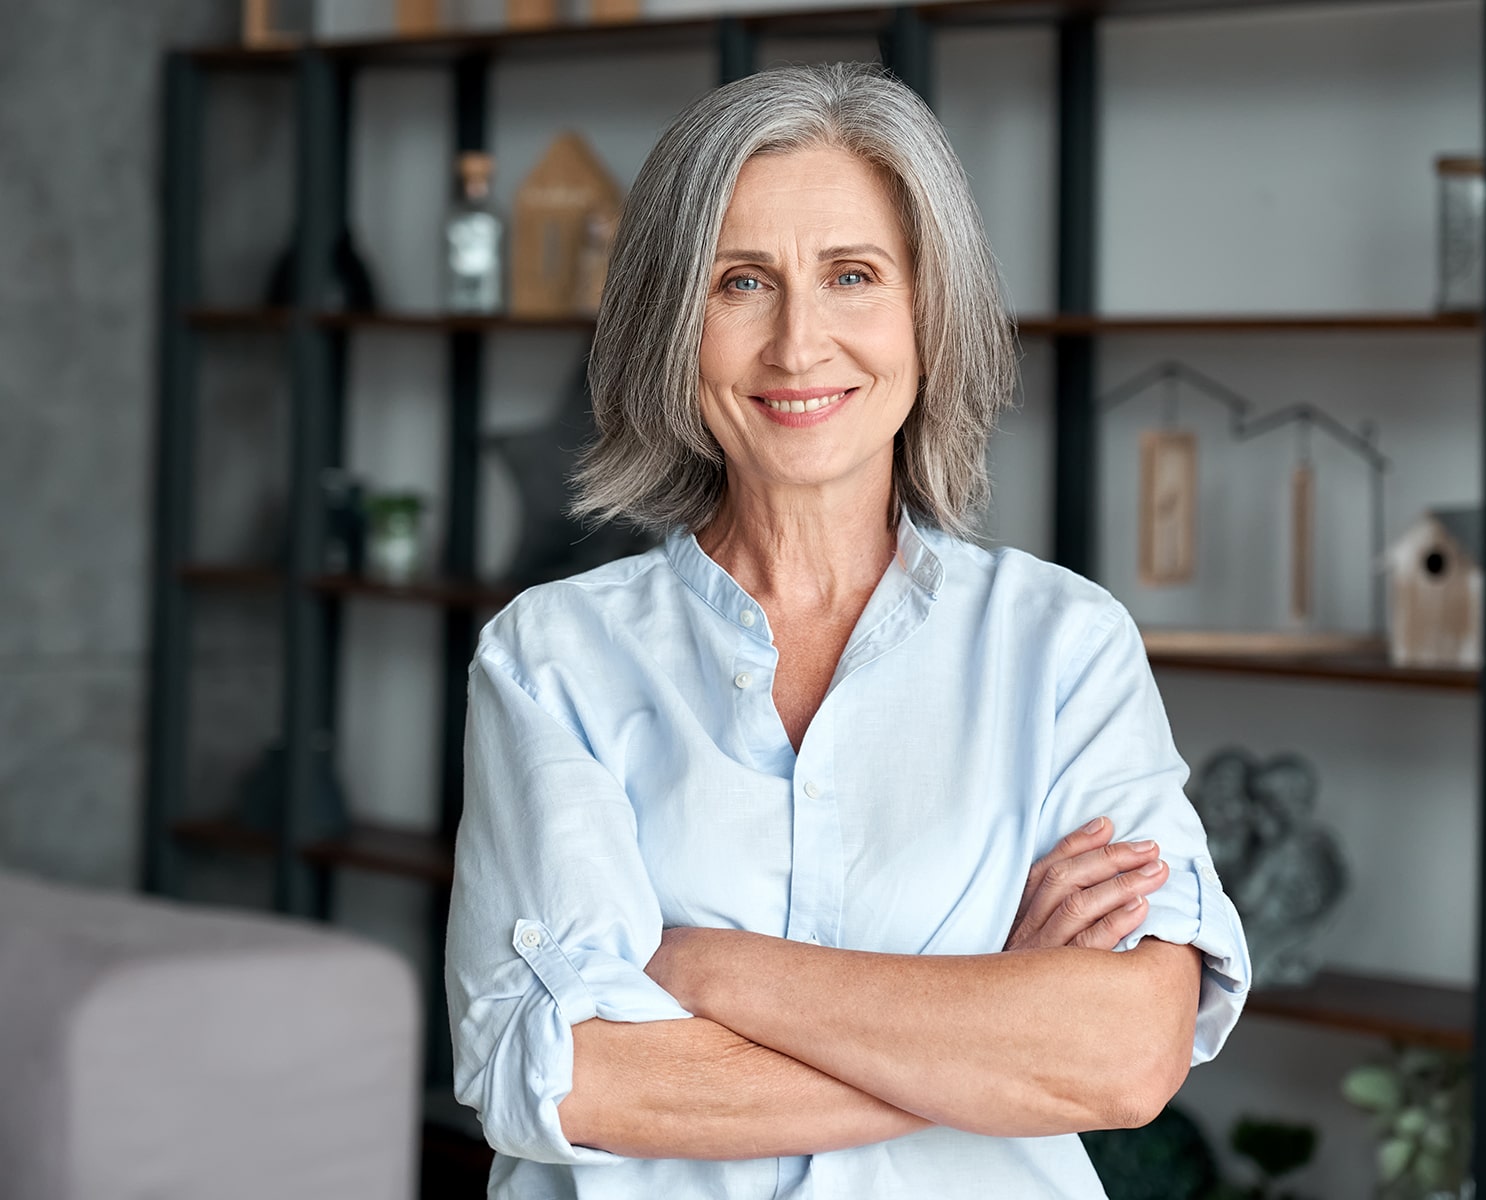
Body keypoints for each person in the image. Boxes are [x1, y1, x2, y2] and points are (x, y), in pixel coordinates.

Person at [445, 61, 1250, 1199]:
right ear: (672, 326)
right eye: (740, 283)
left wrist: (703, 967)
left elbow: (1122, 1055)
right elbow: (572, 1082)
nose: (797, 345)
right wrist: (992, 1025)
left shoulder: (1064, 648)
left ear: (928, 312)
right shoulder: (551, 659)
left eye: (853, 275)